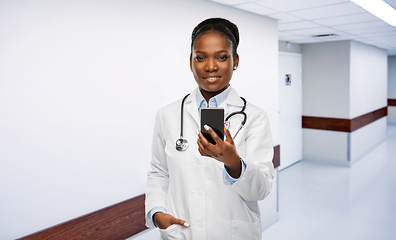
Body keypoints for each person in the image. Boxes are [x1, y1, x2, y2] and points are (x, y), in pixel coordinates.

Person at [145, 18, 275, 240]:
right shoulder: (167, 114)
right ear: (191, 61)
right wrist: (156, 212)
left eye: (222, 57)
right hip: (181, 232)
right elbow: (159, 172)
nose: (210, 66)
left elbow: (261, 190)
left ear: (235, 61)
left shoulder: (255, 117)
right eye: (201, 57)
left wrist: (233, 162)